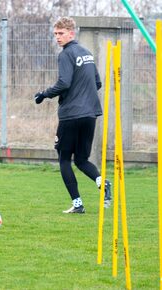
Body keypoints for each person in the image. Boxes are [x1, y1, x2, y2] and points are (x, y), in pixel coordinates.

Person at [34, 17, 111, 214]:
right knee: (82, 159)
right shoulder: (87, 53)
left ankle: (77, 204)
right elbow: (97, 83)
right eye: (55, 34)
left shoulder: (66, 54)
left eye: (61, 33)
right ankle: (102, 182)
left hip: (71, 115)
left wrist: (44, 94)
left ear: (71, 33)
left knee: (64, 159)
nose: (58, 38)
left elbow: (64, 83)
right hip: (90, 115)